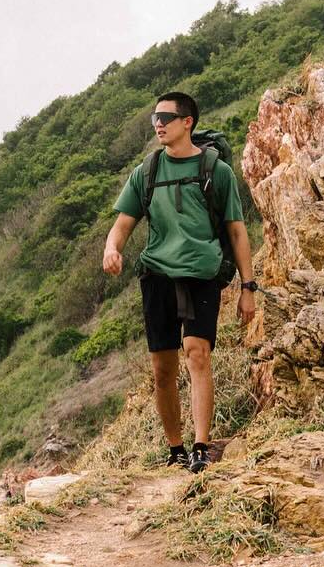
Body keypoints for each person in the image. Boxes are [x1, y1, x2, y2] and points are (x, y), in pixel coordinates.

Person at [102, 92, 257, 473]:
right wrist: (112, 249)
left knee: (197, 354)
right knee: (162, 369)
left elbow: (237, 233)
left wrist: (248, 288)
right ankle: (175, 449)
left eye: (166, 117)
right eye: (155, 117)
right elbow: (121, 226)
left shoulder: (215, 171)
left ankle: (200, 446)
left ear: (187, 122)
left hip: (201, 274)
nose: (158, 123)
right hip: (157, 275)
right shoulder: (147, 172)